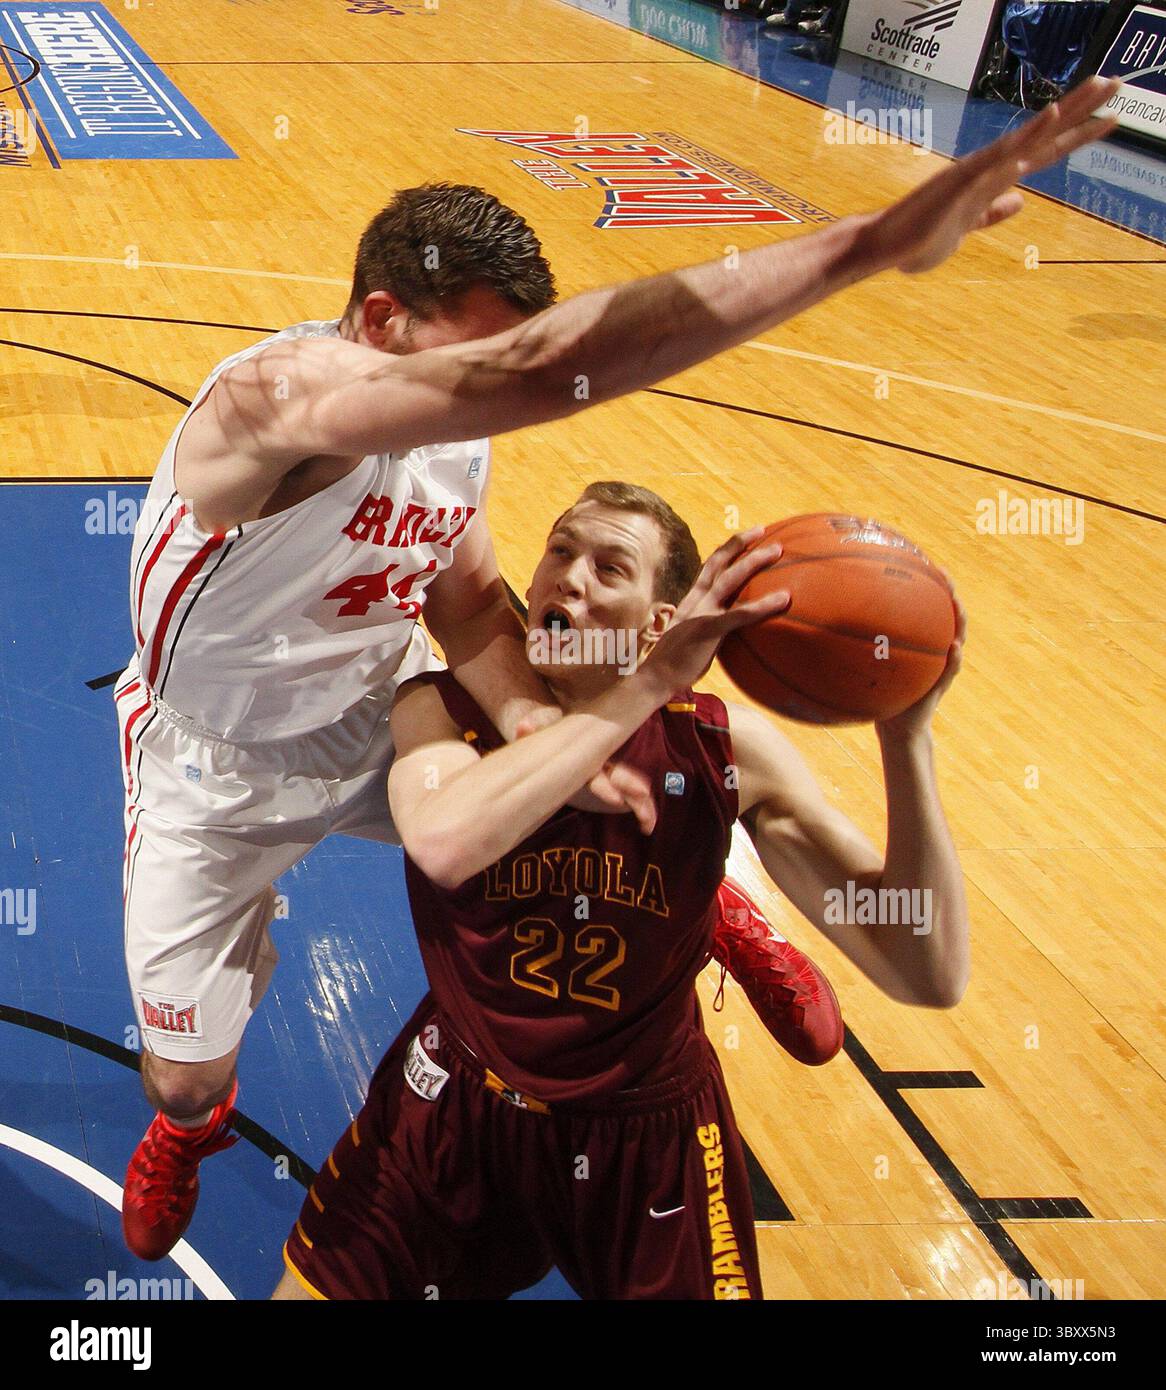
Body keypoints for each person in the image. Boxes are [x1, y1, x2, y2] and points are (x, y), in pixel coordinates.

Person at [118, 79, 1117, 1261]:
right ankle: (187, 1132)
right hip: (211, 764)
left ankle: (711, 907)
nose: (496, 391)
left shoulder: (451, 455)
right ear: (380, 320)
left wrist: (535, 719)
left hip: (374, 718)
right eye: (477, 359)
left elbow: (473, 600)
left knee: (610, 779)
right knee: (182, 1078)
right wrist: (862, 247)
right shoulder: (264, 404)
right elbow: (549, 367)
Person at [273, 480, 970, 1301]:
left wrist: (906, 739)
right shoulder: (441, 706)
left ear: (661, 625)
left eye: (611, 569)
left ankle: (714, 915)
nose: (570, 577)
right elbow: (444, 842)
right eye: (560, 552)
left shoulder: (720, 747)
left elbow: (926, 972)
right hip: (456, 1098)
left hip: (649, 1141)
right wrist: (640, 691)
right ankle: (714, 916)